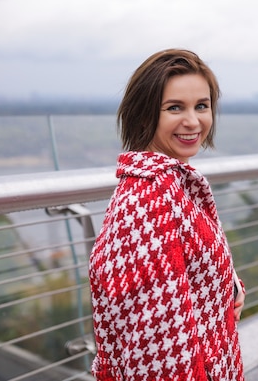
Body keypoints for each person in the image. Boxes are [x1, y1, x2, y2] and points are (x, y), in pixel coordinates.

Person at [89, 49, 246, 380]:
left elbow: (188, 274)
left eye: (201, 106)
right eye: (175, 107)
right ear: (145, 115)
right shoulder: (149, 199)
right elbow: (158, 345)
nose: (193, 121)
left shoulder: (174, 184)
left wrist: (229, 288)